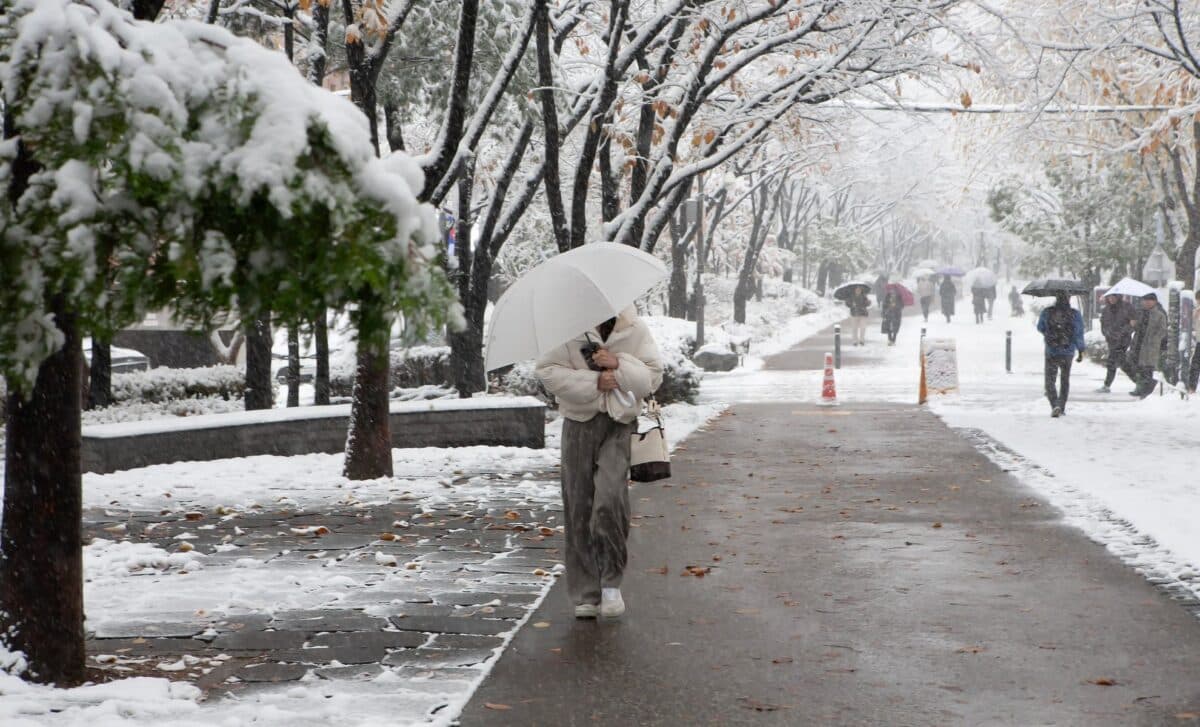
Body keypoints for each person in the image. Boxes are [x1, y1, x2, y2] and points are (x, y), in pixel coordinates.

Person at [536, 307, 663, 619]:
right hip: (578, 425)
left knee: (610, 499)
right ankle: (586, 593)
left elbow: (653, 377)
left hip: (619, 426)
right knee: (578, 506)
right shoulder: (568, 326)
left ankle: (610, 583)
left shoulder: (634, 328)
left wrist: (618, 366)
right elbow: (547, 371)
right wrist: (595, 382)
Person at [1036, 292, 1085, 418]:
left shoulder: (1047, 312)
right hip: (1067, 351)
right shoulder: (1075, 314)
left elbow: (1040, 327)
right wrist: (1080, 350)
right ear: (1069, 299)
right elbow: (1078, 333)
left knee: (1050, 381)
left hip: (1051, 351)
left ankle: (1054, 404)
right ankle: (1061, 406)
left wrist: (1050, 334)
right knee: (1065, 380)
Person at [1095, 293, 1136, 393]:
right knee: (1120, 362)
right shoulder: (1106, 310)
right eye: (1110, 297)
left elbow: (1133, 323)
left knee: (1114, 361)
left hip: (1123, 340)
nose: (1111, 299)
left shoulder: (1127, 307)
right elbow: (1103, 324)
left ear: (1118, 297)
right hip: (1111, 340)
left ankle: (1107, 385)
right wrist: (1107, 333)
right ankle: (1140, 381)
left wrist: (1122, 332)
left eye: (1114, 297)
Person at [1129, 292, 1167, 398]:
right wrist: (1134, 324)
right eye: (1144, 300)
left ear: (1154, 301)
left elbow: (1163, 330)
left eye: (1149, 300)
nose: (1146, 302)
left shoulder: (1160, 314)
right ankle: (1140, 387)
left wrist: (1154, 339)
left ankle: (1145, 390)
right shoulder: (1140, 312)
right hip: (1139, 343)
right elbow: (1137, 328)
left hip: (1151, 346)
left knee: (1148, 368)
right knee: (1138, 367)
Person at [1186, 302, 1200, 395]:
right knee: (1195, 364)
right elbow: (1194, 326)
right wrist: (1194, 316)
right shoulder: (1197, 311)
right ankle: (1192, 387)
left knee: (1196, 364)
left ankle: (1192, 387)